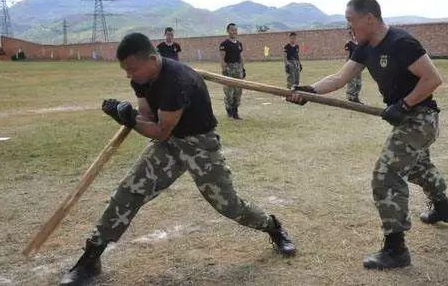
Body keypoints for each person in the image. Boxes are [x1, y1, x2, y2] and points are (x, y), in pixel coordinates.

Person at [60, 33, 295, 286]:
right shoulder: (142, 77)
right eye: (126, 70)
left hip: (200, 144)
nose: (129, 75)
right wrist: (127, 115)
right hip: (169, 145)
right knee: (129, 190)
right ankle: (91, 257)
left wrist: (128, 119)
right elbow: (149, 119)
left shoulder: (177, 81)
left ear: (152, 59)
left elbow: (160, 129)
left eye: (132, 69)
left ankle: (273, 227)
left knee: (228, 205)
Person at [287, 0, 448, 270]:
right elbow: (340, 78)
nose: (349, 27)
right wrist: (311, 91)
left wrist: (404, 104)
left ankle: (396, 249)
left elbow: (433, 79)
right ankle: (443, 206)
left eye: (350, 21)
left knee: (387, 173)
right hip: (404, 118)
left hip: (421, 118)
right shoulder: (364, 47)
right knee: (414, 167)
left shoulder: (402, 43)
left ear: (369, 18)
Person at [219, 23, 245, 119]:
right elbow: (222, 58)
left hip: (238, 69)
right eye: (232, 30)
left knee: (238, 91)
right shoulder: (224, 44)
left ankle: (235, 112)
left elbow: (241, 57)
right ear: (228, 31)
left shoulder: (239, 44)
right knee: (229, 91)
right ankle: (229, 110)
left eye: (235, 30)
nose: (234, 31)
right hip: (229, 68)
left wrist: (243, 68)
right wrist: (224, 69)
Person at [344, 30, 362, 103]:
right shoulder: (349, 43)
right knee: (351, 81)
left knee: (358, 83)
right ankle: (350, 97)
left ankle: (356, 96)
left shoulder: (360, 43)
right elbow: (347, 53)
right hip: (351, 63)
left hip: (358, 64)